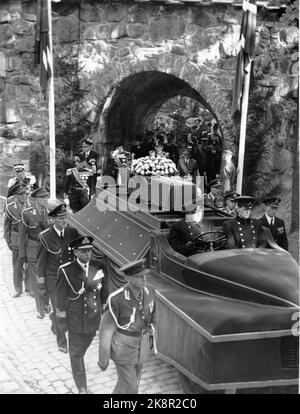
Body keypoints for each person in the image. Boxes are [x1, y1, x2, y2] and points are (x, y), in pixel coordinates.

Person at [97, 259, 156, 394]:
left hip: (142, 347)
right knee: (132, 390)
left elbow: (153, 317)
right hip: (123, 349)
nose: (144, 279)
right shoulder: (116, 299)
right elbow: (105, 331)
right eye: (139, 276)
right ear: (128, 277)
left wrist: (153, 339)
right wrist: (103, 359)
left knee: (127, 384)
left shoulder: (149, 292)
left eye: (145, 275)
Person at [56, 236, 105, 394]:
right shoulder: (66, 270)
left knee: (81, 351)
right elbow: (60, 298)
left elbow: (103, 293)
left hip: (93, 317)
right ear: (75, 252)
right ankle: (82, 387)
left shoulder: (98, 267)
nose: (88, 254)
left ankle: (77, 364)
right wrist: (62, 322)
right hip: (75, 319)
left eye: (89, 251)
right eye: (83, 252)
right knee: (76, 354)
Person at [37, 203, 80, 353]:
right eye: (60, 218)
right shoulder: (45, 237)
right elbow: (40, 264)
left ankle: (55, 322)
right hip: (53, 280)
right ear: (53, 219)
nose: (64, 221)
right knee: (61, 309)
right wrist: (42, 288)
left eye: (65, 217)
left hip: (68, 279)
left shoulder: (72, 233)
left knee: (67, 308)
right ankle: (62, 342)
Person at [19, 187, 51, 318]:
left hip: (47, 251)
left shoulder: (50, 213)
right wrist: (22, 255)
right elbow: (22, 236)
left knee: (47, 280)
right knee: (37, 281)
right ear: (35, 199)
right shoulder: (27, 213)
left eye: (46, 197)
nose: (45, 200)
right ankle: (40, 309)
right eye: (42, 197)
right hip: (33, 251)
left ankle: (46, 304)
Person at [4, 183, 31, 297]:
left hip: (29, 240)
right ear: (15, 195)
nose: (24, 196)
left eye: (25, 193)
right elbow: (6, 226)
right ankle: (18, 289)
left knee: (30, 265)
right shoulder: (10, 208)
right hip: (16, 240)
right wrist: (8, 241)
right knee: (17, 266)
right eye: (21, 194)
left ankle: (29, 288)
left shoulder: (31, 206)